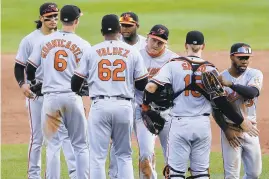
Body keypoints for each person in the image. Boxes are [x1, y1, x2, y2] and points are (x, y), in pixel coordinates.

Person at [141, 31, 258, 179]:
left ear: (185, 46)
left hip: (179, 124)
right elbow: (221, 102)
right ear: (203, 46)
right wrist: (241, 121)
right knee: (201, 173)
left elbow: (150, 87)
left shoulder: (173, 65)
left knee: (176, 173)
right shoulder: (211, 69)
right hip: (202, 125)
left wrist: (146, 106)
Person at [71, 14, 148, 179]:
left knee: (97, 157)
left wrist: (88, 88)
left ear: (101, 31)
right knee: (124, 155)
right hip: (124, 106)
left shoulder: (92, 51)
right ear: (120, 30)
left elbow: (75, 83)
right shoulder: (132, 52)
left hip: (100, 106)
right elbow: (142, 84)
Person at [26, 5, 90, 178]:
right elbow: (88, 76)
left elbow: (30, 68)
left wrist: (34, 83)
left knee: (53, 145)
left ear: (61, 20)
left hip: (50, 98)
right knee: (80, 145)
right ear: (76, 21)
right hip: (72, 97)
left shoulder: (44, 41)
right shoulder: (83, 44)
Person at [14, 3, 76, 178]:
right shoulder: (30, 39)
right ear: (41, 18)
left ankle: (73, 174)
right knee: (37, 138)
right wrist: (22, 84)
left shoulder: (63, 37)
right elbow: (19, 66)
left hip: (57, 94)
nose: (53, 20)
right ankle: (34, 175)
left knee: (64, 137)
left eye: (56, 16)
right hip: (37, 95)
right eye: (49, 17)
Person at [135, 24, 178, 178]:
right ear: (147, 38)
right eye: (153, 40)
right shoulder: (136, 55)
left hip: (167, 113)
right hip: (143, 112)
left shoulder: (173, 60)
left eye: (160, 43)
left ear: (165, 44)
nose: (155, 45)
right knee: (145, 155)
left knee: (173, 159)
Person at [108, 11, 147, 179]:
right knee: (117, 145)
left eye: (129, 26)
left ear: (137, 25)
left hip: (143, 104)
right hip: (122, 101)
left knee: (146, 148)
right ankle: (114, 175)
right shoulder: (112, 45)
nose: (124, 29)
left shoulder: (147, 44)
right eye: (122, 25)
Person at [218, 43, 263, 179]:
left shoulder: (254, 74)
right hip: (231, 131)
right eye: (241, 58)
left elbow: (252, 92)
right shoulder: (221, 77)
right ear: (232, 57)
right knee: (231, 176)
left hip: (251, 129)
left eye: (247, 58)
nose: (244, 61)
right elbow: (216, 109)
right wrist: (226, 130)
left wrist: (231, 84)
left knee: (254, 174)